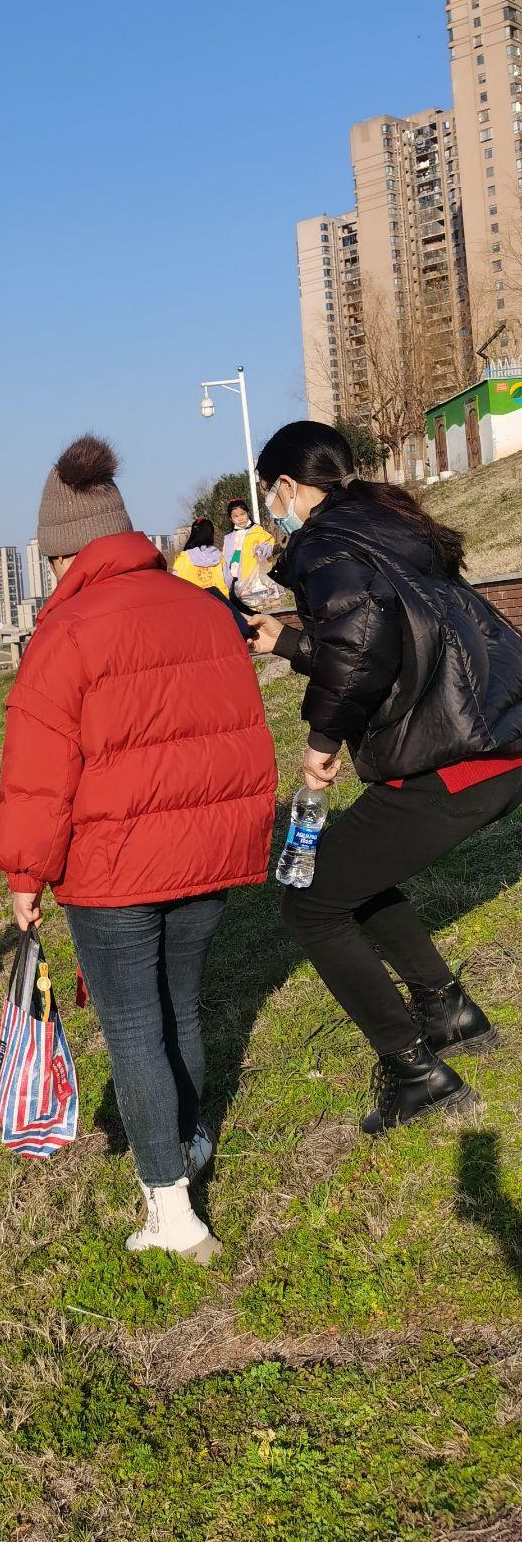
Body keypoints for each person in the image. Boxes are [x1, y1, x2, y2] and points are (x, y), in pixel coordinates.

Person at [0, 435, 277, 1261]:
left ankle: (171, 1208)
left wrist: (24, 873)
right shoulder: (197, 606)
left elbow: (40, 773)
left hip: (113, 869)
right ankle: (188, 1143)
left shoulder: (65, 630)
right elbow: (237, 733)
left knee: (134, 1030)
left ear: (64, 552)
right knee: (180, 1007)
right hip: (207, 852)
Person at [245, 421, 522, 1135]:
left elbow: (363, 638)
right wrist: (292, 643)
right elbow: (383, 636)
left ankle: (415, 1072)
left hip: (455, 756)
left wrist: (320, 740)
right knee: (348, 872)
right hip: (492, 740)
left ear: (285, 485)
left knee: (310, 903)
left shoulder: (327, 542)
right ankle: (445, 1009)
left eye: (270, 492)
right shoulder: (383, 524)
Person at [221, 497, 276, 601]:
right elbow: (225, 559)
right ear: (230, 519)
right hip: (233, 580)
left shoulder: (258, 531)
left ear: (248, 513)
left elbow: (268, 546)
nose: (240, 518)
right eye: (236, 516)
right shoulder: (228, 538)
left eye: (243, 514)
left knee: (254, 612)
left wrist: (260, 550)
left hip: (253, 580)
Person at [171, 517, 229, 594]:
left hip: (193, 601)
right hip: (219, 602)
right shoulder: (219, 556)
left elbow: (175, 582)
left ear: (193, 534)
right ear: (211, 534)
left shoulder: (184, 557)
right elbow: (228, 581)